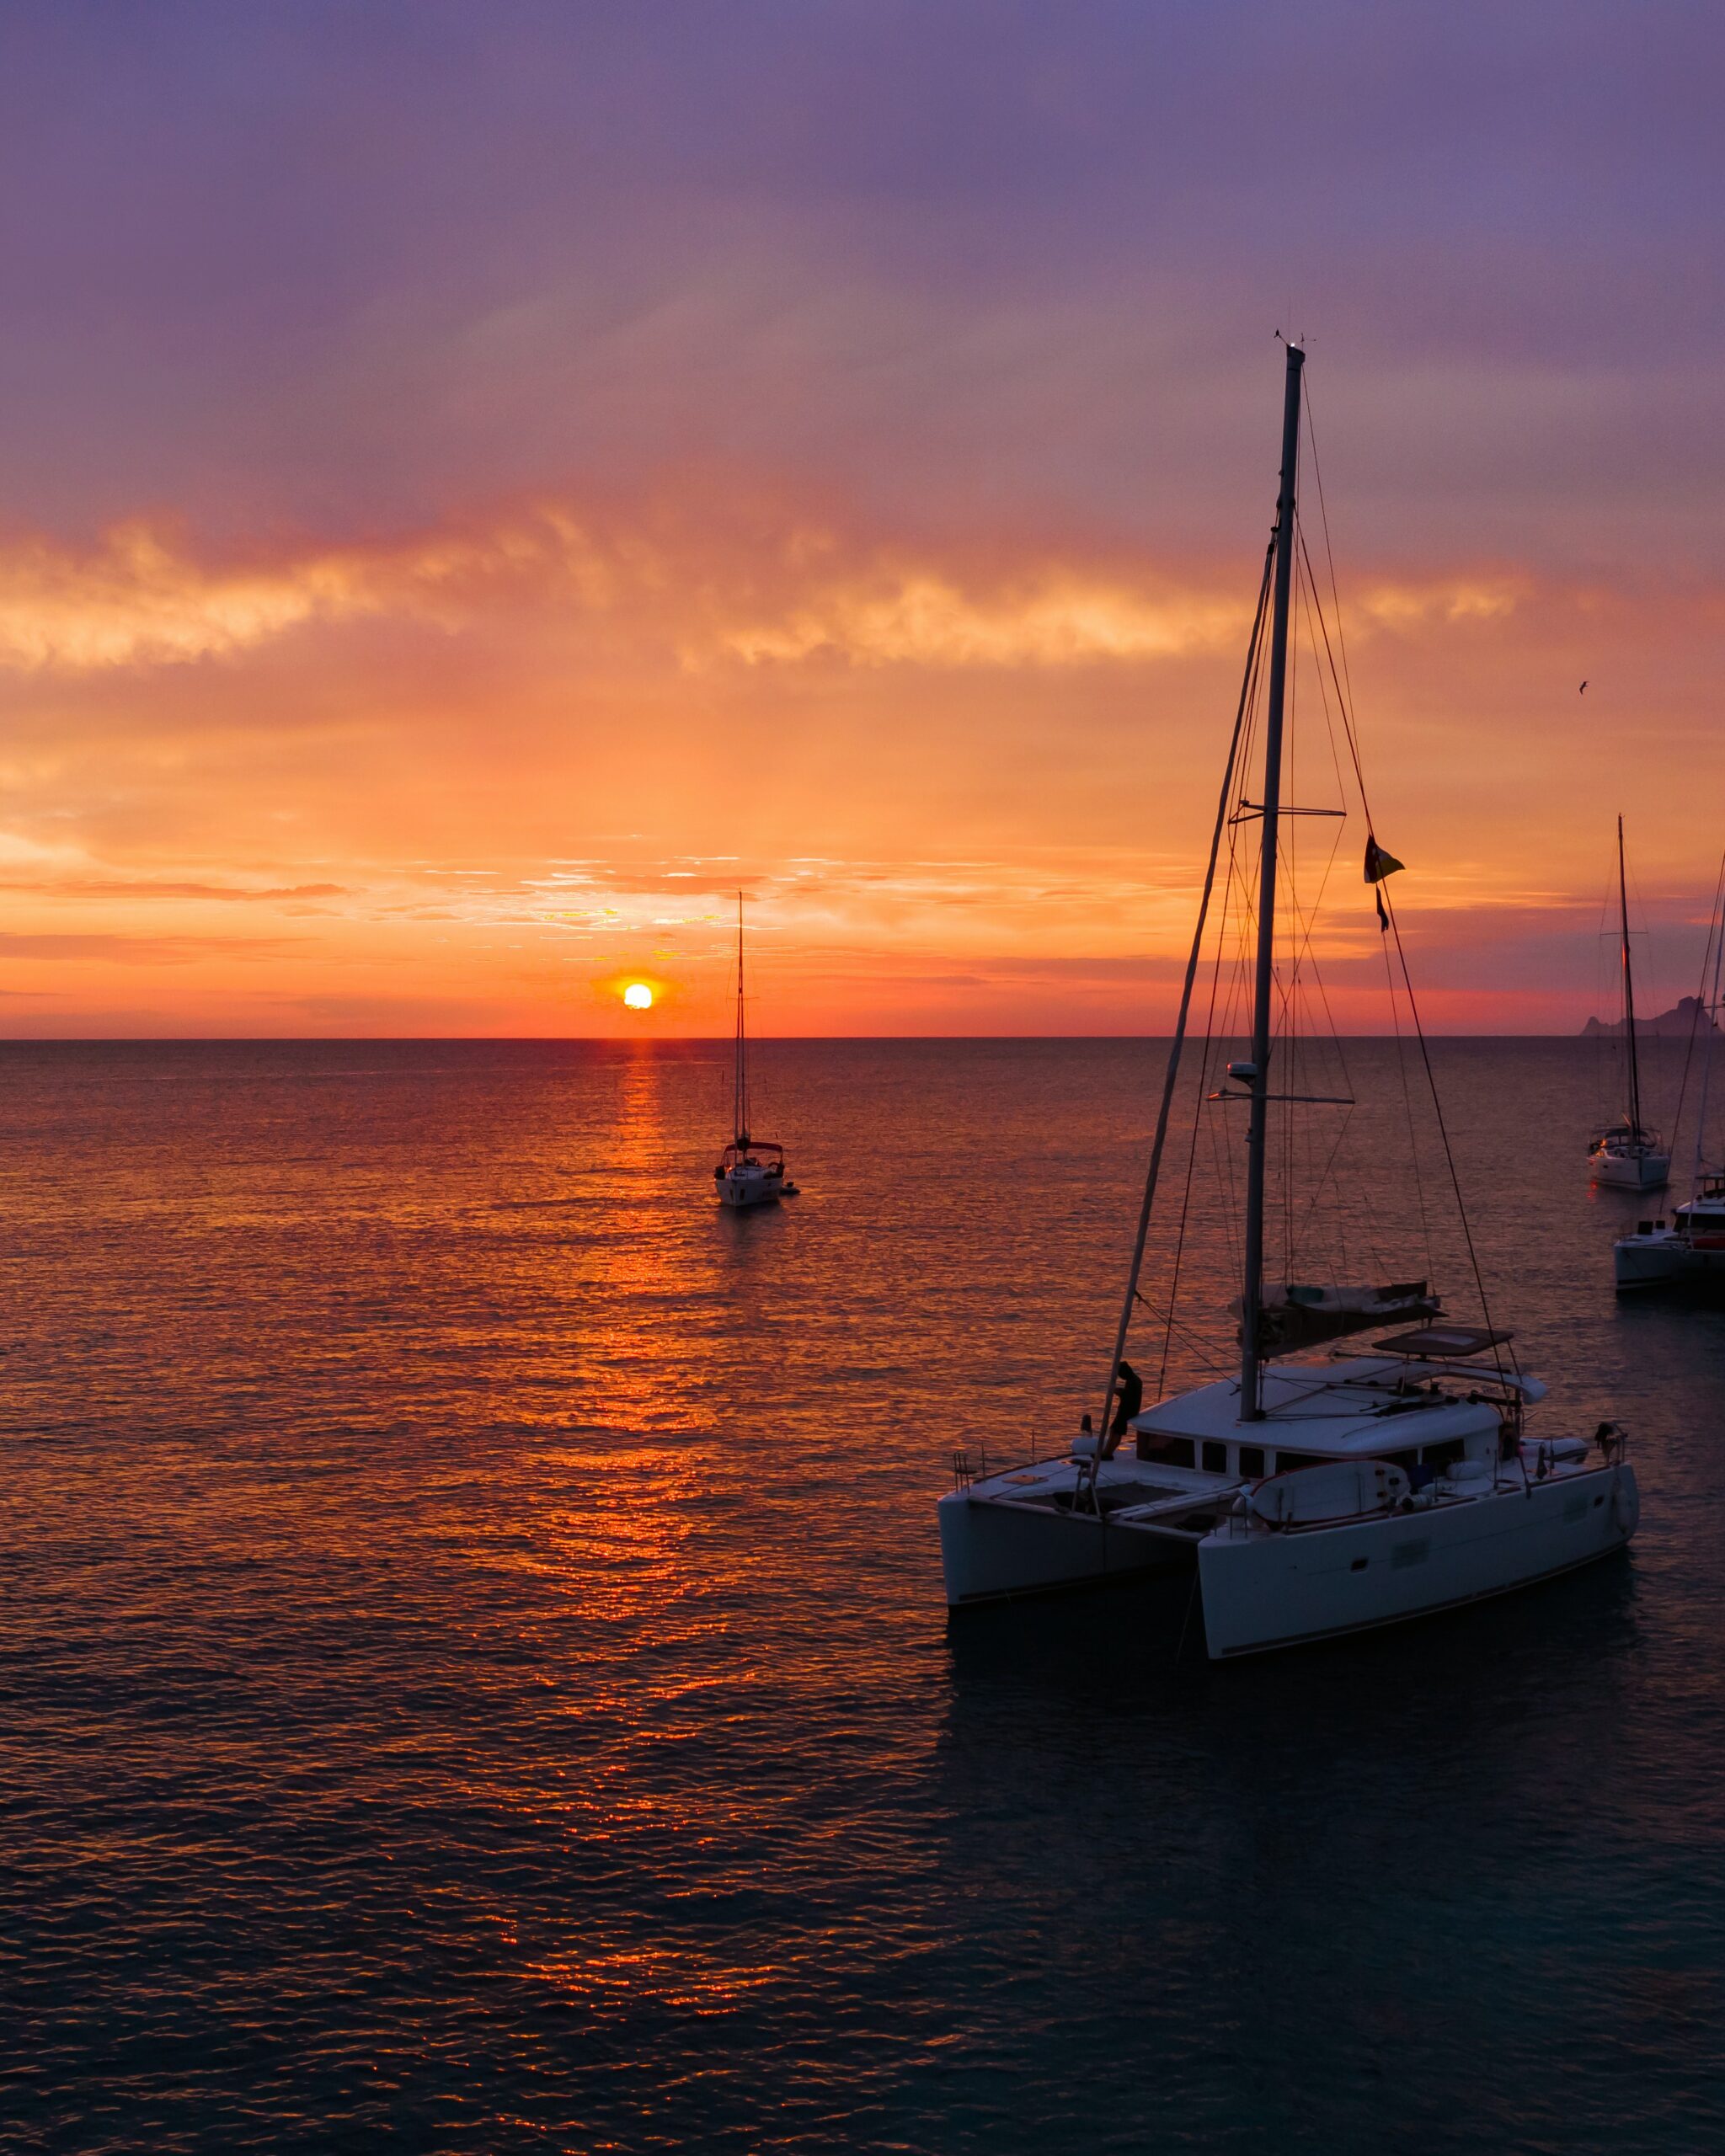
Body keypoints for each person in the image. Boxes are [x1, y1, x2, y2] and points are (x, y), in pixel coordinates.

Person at [1109, 1358, 1144, 1439]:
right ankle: (1109, 1448)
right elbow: (1129, 1392)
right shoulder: (1135, 1379)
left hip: (1127, 1411)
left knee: (1115, 1430)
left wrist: (1116, 1391)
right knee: (1116, 1430)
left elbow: (1127, 1395)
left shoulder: (1132, 1381)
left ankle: (1109, 1450)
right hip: (1131, 1410)